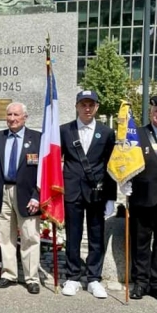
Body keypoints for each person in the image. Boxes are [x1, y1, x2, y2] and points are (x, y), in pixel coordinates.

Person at [60, 90, 116, 298]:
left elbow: (110, 166)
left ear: (97, 107)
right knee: (72, 235)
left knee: (96, 236)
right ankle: (73, 276)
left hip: (97, 191)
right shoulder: (65, 131)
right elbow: (56, 163)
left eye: (91, 104)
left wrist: (111, 196)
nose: (87, 108)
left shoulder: (107, 132)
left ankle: (94, 278)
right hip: (72, 190)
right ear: (76, 106)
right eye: (83, 104)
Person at [0, 102, 42, 294]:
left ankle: (31, 278)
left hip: (28, 194)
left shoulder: (38, 139)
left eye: (16, 115)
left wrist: (37, 195)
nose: (12, 118)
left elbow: (45, 172)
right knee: (5, 236)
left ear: (25, 117)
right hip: (3, 192)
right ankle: (9, 274)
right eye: (9, 115)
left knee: (30, 236)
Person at [125, 96, 157, 302]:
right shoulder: (138, 135)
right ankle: (140, 282)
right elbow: (125, 160)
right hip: (142, 198)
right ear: (150, 113)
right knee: (140, 242)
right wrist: (124, 182)